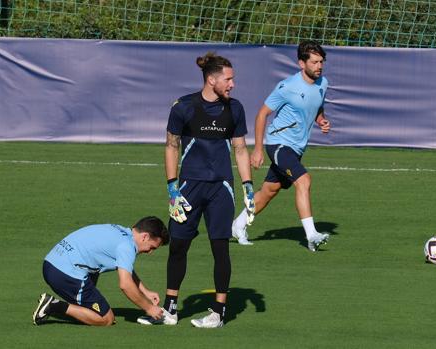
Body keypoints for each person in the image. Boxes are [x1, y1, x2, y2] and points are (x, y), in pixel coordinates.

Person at [137, 52, 254, 328]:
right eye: (228, 79)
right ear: (211, 79)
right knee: (177, 246)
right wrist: (172, 188)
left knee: (220, 248)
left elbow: (240, 149)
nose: (232, 84)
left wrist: (248, 187)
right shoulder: (183, 107)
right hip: (188, 190)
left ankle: (218, 313)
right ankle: (171, 309)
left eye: (232, 79)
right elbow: (171, 146)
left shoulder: (235, 109)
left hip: (221, 190)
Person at [232, 40, 331, 252]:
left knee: (269, 190)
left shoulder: (323, 83)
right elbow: (261, 115)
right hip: (278, 144)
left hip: (296, 149)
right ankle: (311, 234)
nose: (319, 66)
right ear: (301, 64)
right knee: (303, 181)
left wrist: (321, 120)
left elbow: (317, 106)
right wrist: (258, 149)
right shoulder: (287, 87)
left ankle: (238, 225)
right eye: (314, 62)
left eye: (321, 61)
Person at [32, 216, 169, 327]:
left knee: (94, 273)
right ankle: (54, 305)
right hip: (65, 273)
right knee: (106, 319)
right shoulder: (127, 247)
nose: (150, 252)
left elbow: (126, 268)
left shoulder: (120, 231)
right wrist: (149, 308)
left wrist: (145, 292)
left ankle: (82, 309)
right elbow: (125, 285)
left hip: (51, 262)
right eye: (152, 247)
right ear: (144, 236)